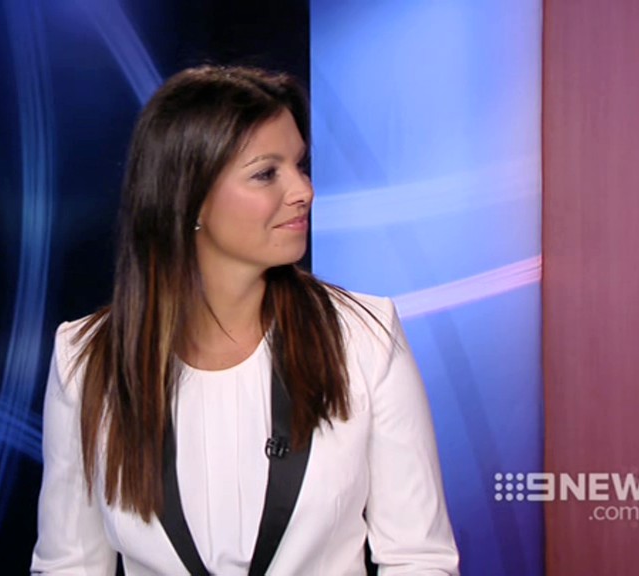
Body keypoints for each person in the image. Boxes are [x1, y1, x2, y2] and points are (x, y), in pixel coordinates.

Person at [31, 65, 459, 575]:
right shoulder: (86, 359)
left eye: (300, 165)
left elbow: (418, 559)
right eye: (266, 173)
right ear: (188, 197)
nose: (303, 191)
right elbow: (70, 565)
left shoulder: (364, 337)